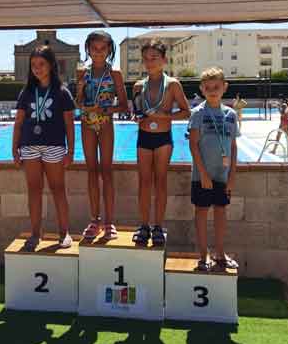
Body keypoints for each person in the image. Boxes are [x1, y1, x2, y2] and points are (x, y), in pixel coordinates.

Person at [12, 46, 75, 250]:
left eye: (41, 64)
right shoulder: (27, 91)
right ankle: (35, 233)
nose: (37, 69)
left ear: (51, 66)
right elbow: (19, 122)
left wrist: (71, 151)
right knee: (34, 190)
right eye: (33, 65)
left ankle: (64, 233)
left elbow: (69, 124)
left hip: (54, 146)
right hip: (30, 145)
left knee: (58, 189)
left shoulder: (62, 92)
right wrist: (15, 148)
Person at [131, 40, 191, 246]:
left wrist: (164, 116)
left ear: (164, 60)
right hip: (144, 137)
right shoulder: (138, 86)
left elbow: (186, 112)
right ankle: (144, 225)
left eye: (154, 58)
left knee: (160, 181)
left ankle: (158, 225)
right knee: (144, 182)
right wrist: (136, 117)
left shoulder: (173, 85)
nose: (150, 62)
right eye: (146, 59)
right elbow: (137, 111)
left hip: (163, 138)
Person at [76, 31, 128, 240]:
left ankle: (109, 222)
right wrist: (80, 93)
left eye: (102, 49)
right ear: (88, 49)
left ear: (109, 50)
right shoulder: (82, 73)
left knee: (106, 172)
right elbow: (77, 103)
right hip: (87, 124)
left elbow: (124, 105)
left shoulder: (114, 73)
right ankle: (94, 219)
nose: (98, 53)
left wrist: (107, 110)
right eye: (94, 48)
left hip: (106, 124)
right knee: (91, 172)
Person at [188, 67, 240, 271]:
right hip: (202, 176)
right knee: (201, 212)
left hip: (223, 175)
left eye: (216, 87)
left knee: (221, 212)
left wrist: (232, 175)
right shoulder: (198, 113)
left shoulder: (231, 115)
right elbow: (193, 145)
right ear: (201, 89)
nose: (212, 91)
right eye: (207, 87)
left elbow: (234, 147)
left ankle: (220, 252)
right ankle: (203, 255)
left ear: (224, 87)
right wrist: (203, 174)